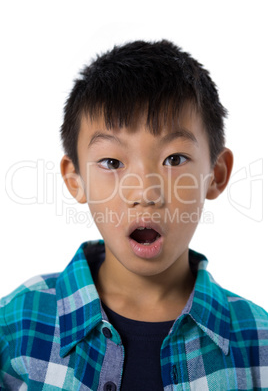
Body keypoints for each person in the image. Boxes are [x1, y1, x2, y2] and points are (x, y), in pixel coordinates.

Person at [1, 40, 267, 390]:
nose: (145, 193)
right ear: (75, 179)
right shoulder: (17, 322)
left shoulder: (258, 345)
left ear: (216, 174)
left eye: (174, 159)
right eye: (112, 162)